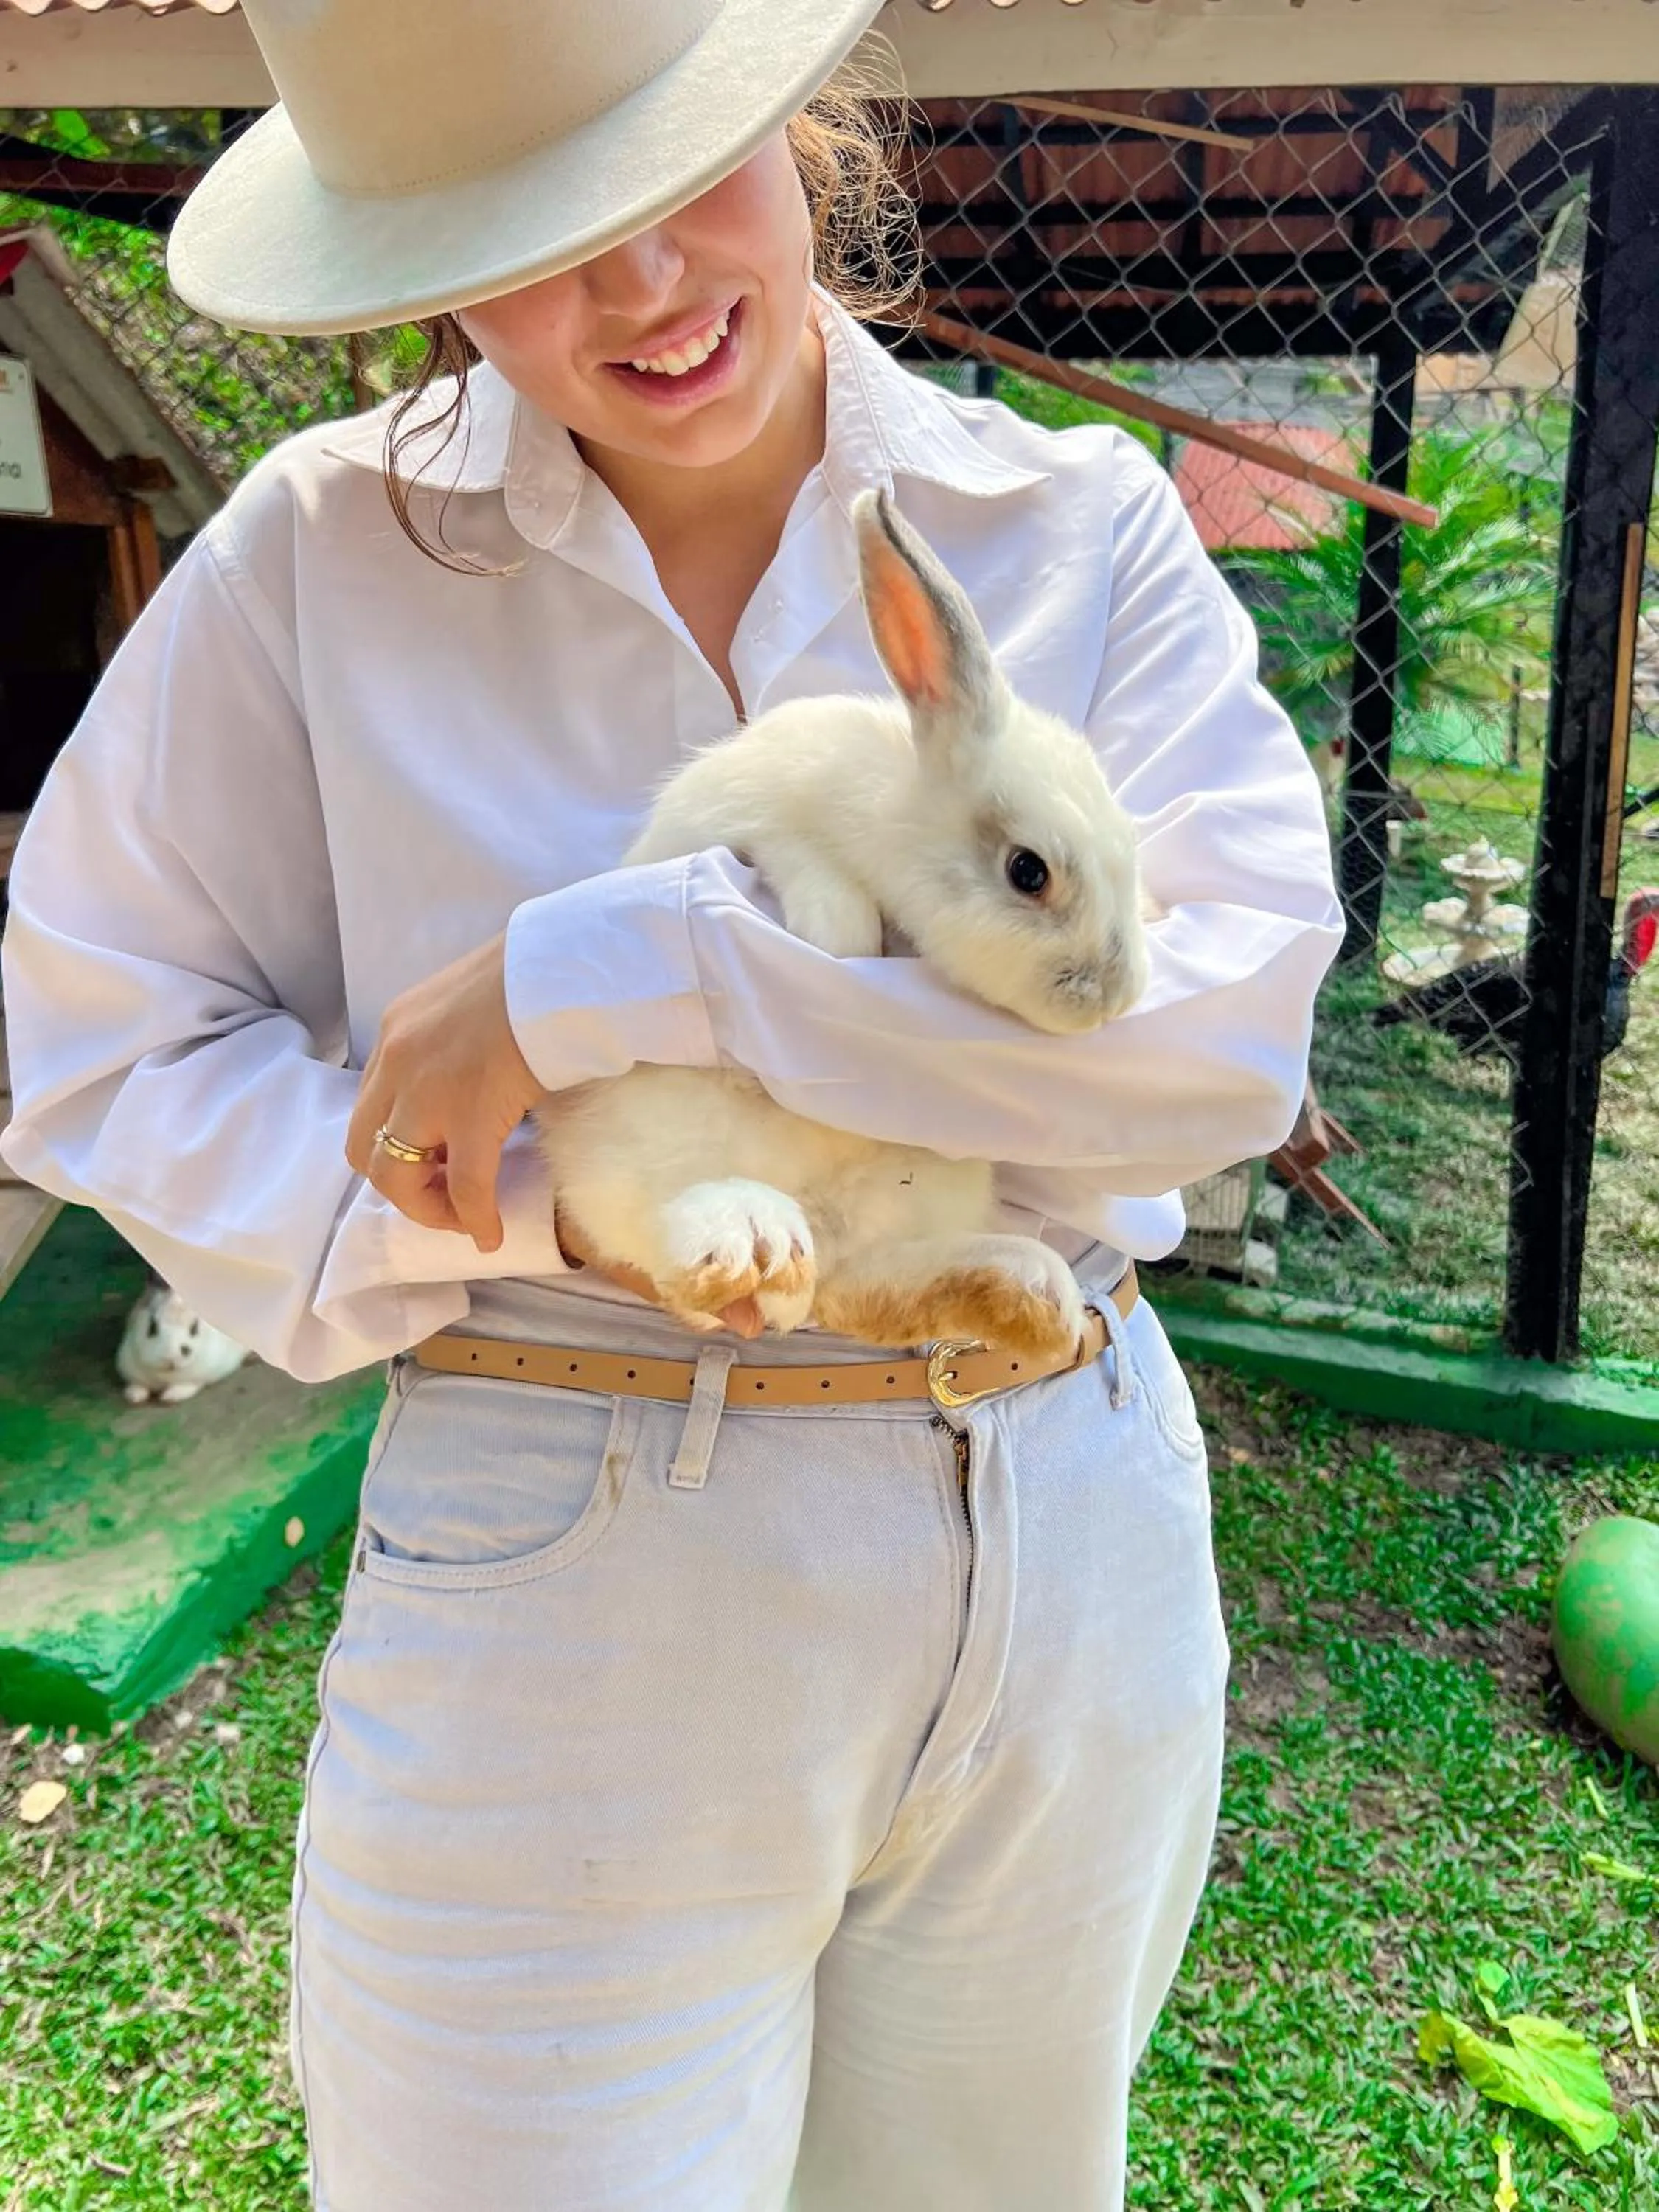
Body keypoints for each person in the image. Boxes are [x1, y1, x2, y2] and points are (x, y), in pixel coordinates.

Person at [0, 2, 1343, 2205]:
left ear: (800, 130)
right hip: (577, 1502)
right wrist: (527, 1200)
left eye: (682, 169)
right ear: (421, 261)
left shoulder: (1067, 524)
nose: (640, 287)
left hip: (1058, 1484)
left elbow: (1209, 1051)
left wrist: (614, 972)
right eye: (530, 232)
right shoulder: (314, 558)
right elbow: (101, 1041)